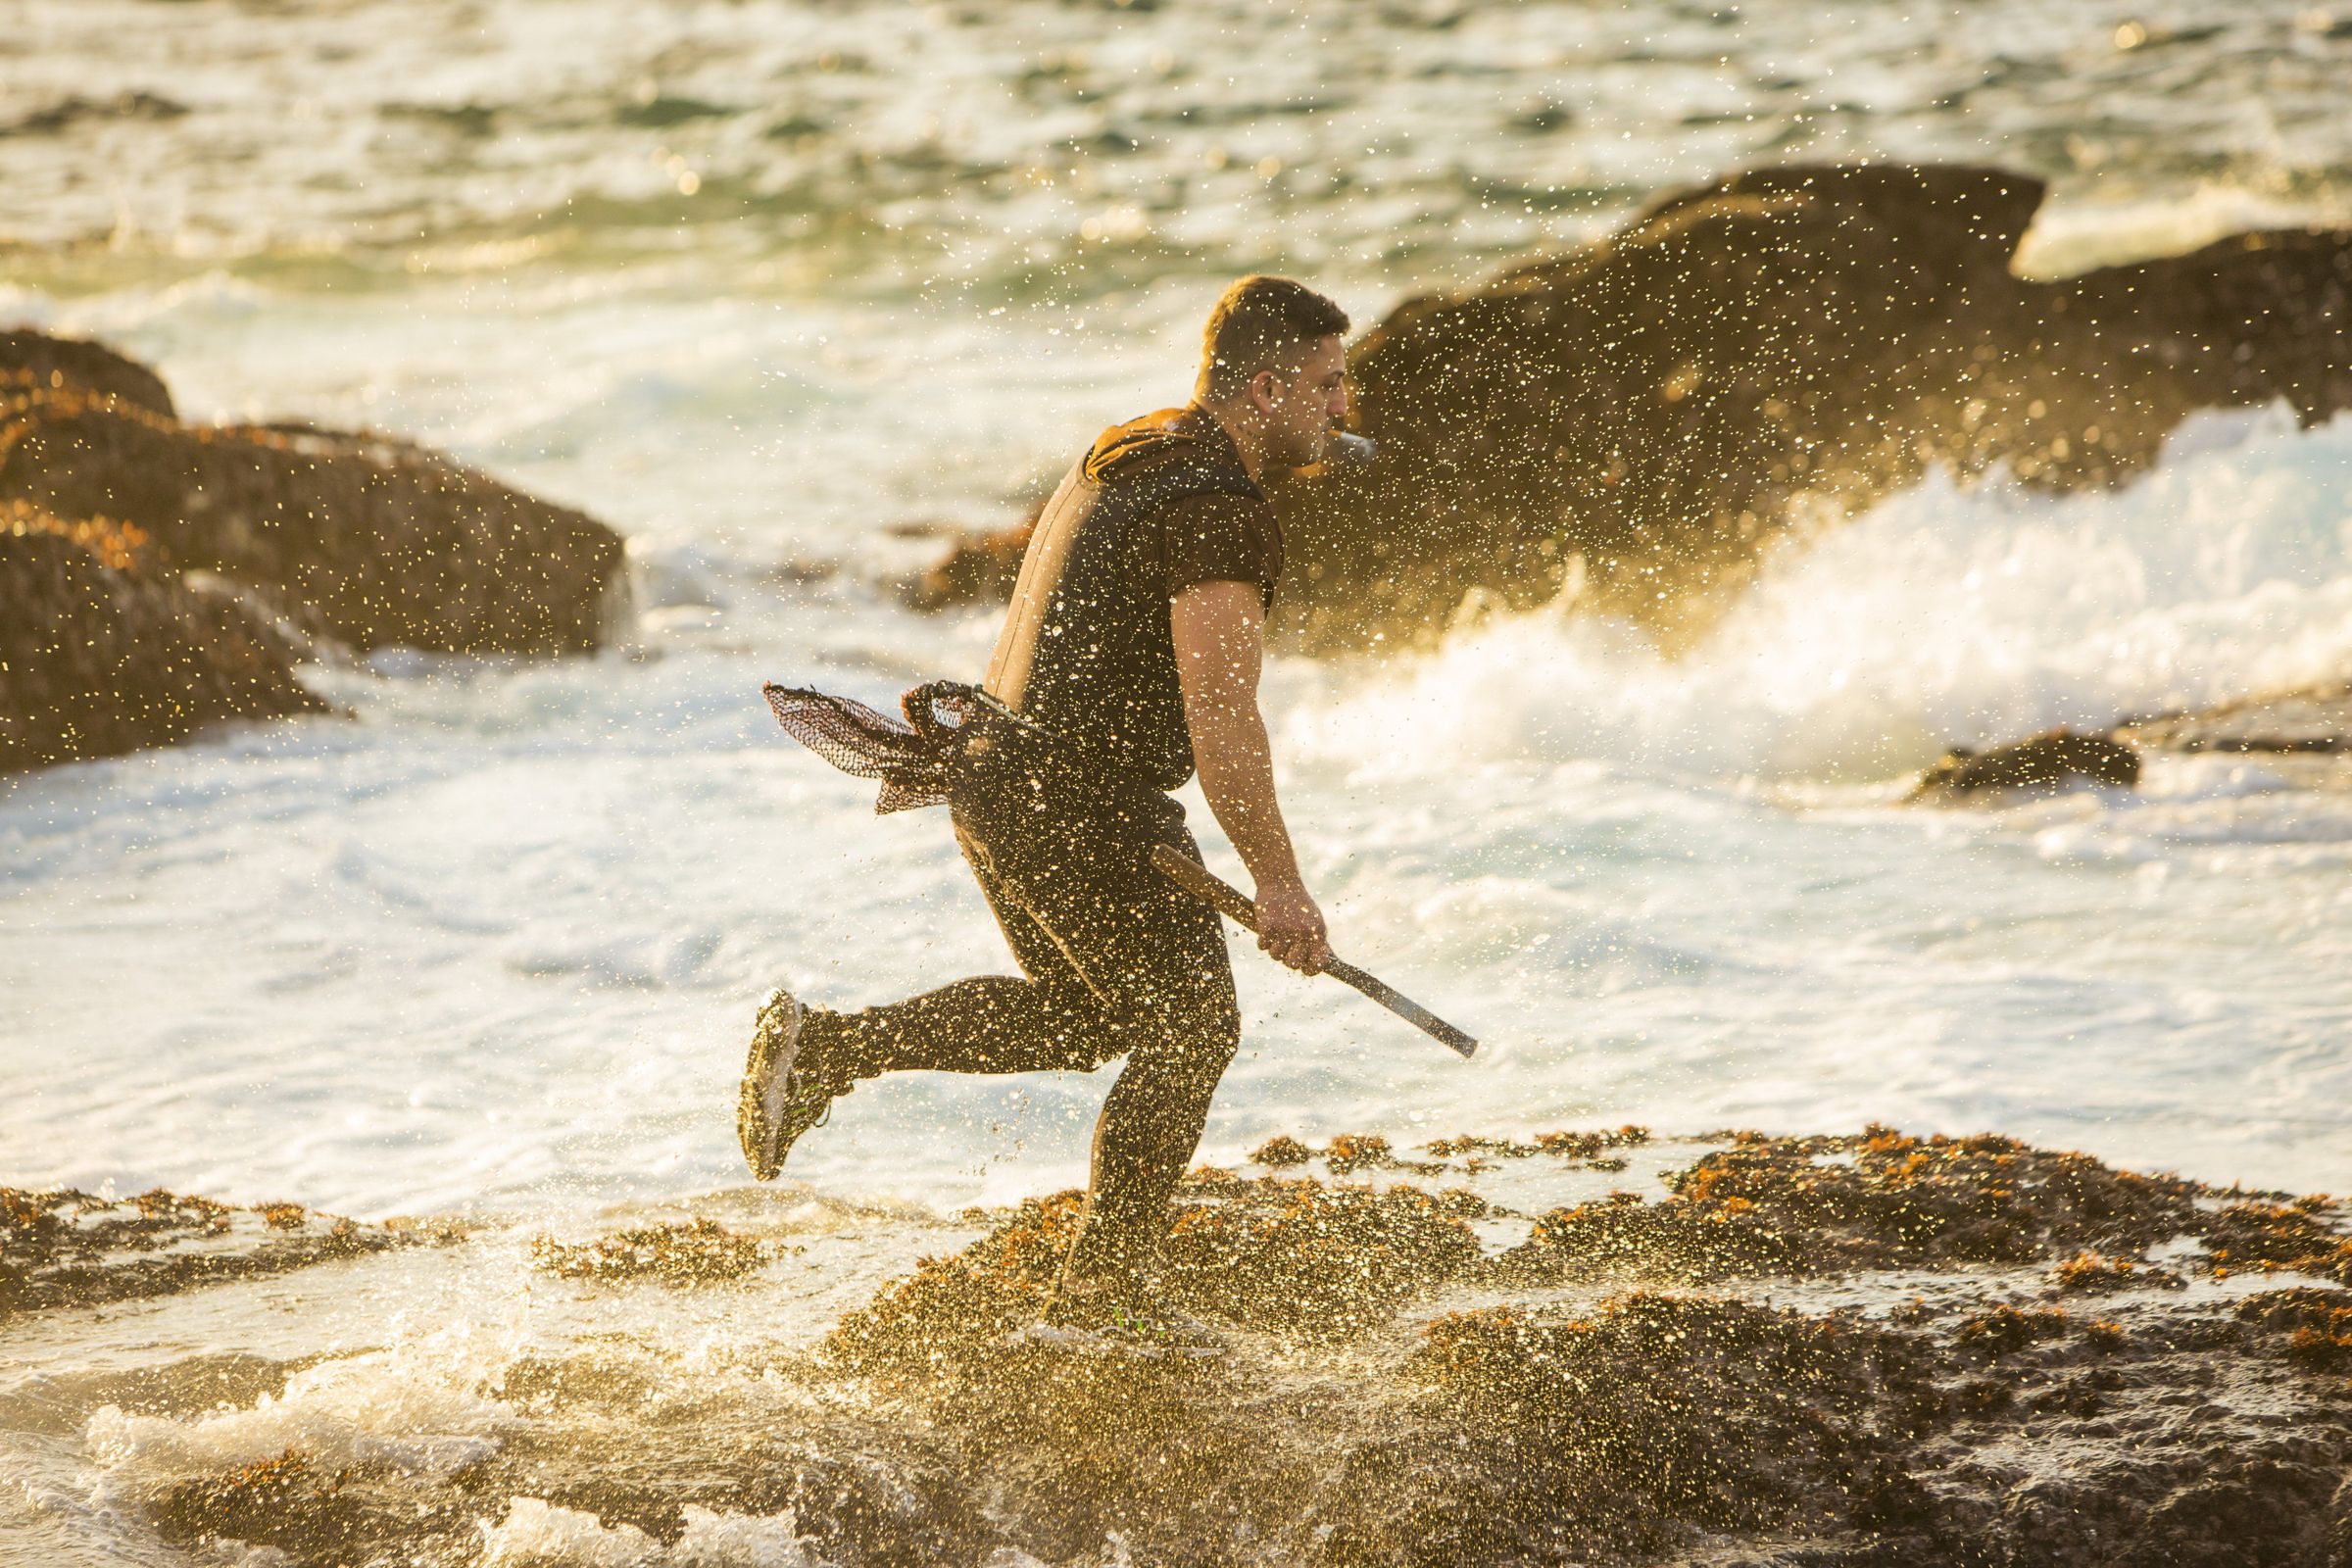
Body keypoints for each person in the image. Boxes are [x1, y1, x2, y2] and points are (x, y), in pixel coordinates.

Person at [739, 275, 1351, 1326]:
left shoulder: (1133, 446)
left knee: (1087, 1016)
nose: (1343, 407)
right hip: (1074, 799)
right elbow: (1223, 720)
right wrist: (1280, 885)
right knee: (1192, 1030)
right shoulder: (1215, 507)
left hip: (995, 772)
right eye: (1328, 384)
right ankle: (1101, 1302)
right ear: (1265, 388)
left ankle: (828, 1048)